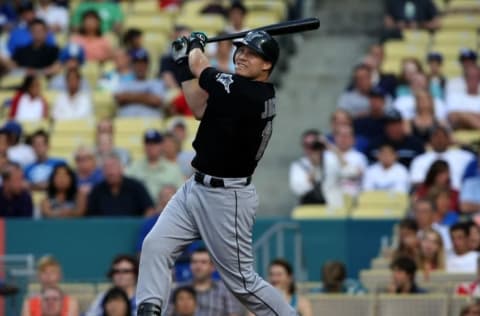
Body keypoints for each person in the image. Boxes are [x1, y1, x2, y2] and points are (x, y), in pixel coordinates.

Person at [136, 30, 299, 316]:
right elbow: (199, 107)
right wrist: (183, 63)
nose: (242, 56)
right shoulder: (237, 90)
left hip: (228, 197)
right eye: (241, 50)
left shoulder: (251, 92)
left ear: (267, 65)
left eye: (252, 53)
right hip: (195, 187)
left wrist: (196, 48)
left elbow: (203, 68)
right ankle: (149, 310)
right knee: (155, 246)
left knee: (243, 284)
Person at [167, 248, 243, 316]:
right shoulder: (178, 289)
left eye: (203, 262)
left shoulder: (225, 291)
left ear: (213, 267)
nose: (198, 266)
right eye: (194, 262)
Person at [289, 130, 344, 208]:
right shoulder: (298, 166)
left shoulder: (331, 160)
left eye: (314, 144)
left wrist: (329, 146)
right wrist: (315, 166)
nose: (311, 148)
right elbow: (298, 189)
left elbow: (349, 171)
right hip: (310, 207)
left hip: (332, 207)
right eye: (307, 145)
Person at [87, 153, 154, 217]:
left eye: (113, 167)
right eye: (106, 168)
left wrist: (143, 225)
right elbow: (90, 217)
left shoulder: (136, 187)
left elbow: (149, 209)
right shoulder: (96, 191)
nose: (110, 171)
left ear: (121, 168)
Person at [126, 129, 184, 201]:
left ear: (161, 146)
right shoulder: (134, 167)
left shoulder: (173, 169)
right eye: (148, 143)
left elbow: (182, 194)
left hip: (165, 210)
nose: (151, 147)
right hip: (140, 210)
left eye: (154, 143)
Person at [409, 126, 474, 190]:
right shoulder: (420, 160)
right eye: (436, 136)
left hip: (460, 196)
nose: (439, 140)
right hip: (430, 195)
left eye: (443, 136)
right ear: (430, 140)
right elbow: (416, 182)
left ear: (449, 139)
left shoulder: (465, 156)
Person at [114, 49, 166, 118]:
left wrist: (129, 96)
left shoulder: (157, 83)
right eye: (137, 63)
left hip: (150, 124)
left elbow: (156, 101)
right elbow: (120, 99)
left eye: (143, 63)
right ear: (132, 65)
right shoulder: (123, 82)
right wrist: (147, 96)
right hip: (127, 125)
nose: (140, 67)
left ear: (148, 65)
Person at [135, 185, 177, 253]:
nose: (167, 199)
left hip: (183, 262)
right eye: (164, 196)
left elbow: (193, 253)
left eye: (171, 195)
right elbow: (140, 251)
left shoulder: (186, 223)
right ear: (159, 200)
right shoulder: (149, 224)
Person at [331, 125, 368, 200]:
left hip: (354, 198)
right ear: (335, 138)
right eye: (340, 135)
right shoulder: (327, 156)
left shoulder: (360, 157)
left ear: (353, 139)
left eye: (346, 136)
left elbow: (355, 174)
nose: (343, 139)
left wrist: (338, 155)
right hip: (331, 198)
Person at [447, 65, 480, 129]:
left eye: (476, 77)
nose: (473, 80)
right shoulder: (455, 96)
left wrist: (462, 115)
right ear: (465, 79)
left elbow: (458, 117)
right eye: (470, 77)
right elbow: (452, 118)